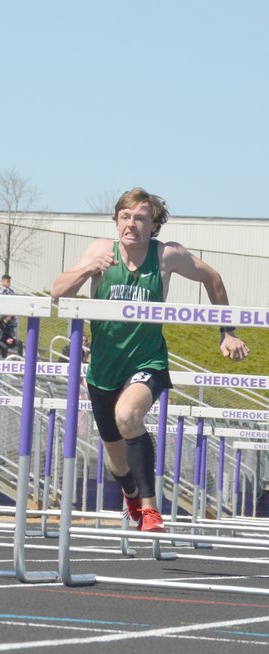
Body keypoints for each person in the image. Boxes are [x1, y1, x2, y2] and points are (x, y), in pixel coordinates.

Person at [51, 187, 250, 533]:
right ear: (116, 221)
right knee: (116, 461)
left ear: (154, 226)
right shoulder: (100, 250)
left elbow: (212, 278)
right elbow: (57, 293)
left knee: (128, 415)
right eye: (126, 217)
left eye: (141, 218)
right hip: (103, 370)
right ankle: (130, 494)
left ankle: (151, 508)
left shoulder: (166, 256)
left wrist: (227, 332)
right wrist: (87, 270)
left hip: (148, 362)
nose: (132, 225)